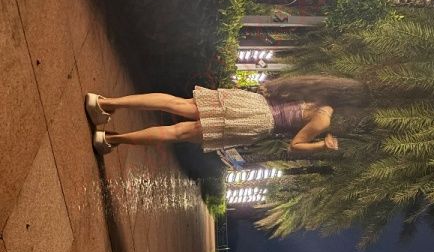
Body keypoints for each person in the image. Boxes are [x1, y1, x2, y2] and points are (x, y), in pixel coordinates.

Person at [84, 75, 367, 155]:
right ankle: (110, 139)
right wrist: (322, 146)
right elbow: (296, 144)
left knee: (175, 103)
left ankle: (105, 103)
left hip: (253, 104)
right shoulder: (323, 118)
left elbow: (277, 88)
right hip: (257, 122)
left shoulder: (317, 87)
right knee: (178, 133)